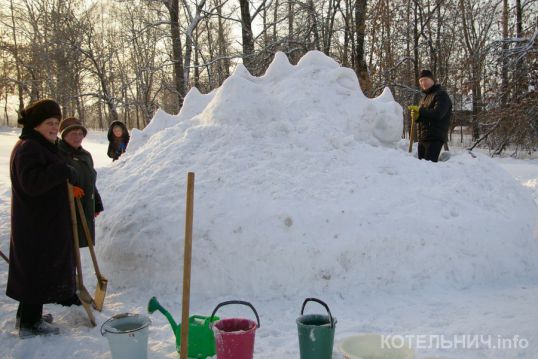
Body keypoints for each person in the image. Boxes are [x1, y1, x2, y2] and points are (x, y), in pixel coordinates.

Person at [7, 99, 78, 338]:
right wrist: (61, 170)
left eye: (56, 123)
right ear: (36, 124)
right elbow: (32, 183)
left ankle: (29, 317)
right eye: (49, 123)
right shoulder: (29, 147)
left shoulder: (40, 145)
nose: (54, 128)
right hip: (36, 224)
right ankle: (29, 323)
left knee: (36, 270)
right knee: (35, 270)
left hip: (41, 222)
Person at [58, 117, 104, 247]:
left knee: (76, 248)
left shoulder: (85, 155)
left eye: (80, 134)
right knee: (65, 247)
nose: (78, 137)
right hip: (67, 211)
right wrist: (68, 190)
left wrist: (96, 204)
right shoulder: (57, 154)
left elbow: (91, 180)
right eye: (73, 134)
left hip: (83, 206)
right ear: (64, 135)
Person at [409, 69, 452, 162]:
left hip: (435, 138)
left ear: (432, 80)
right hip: (423, 138)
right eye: (420, 81)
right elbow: (426, 116)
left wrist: (420, 110)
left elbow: (438, 114)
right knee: (421, 167)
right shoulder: (423, 99)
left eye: (425, 79)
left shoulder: (441, 94)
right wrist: (417, 117)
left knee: (429, 168)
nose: (423, 82)